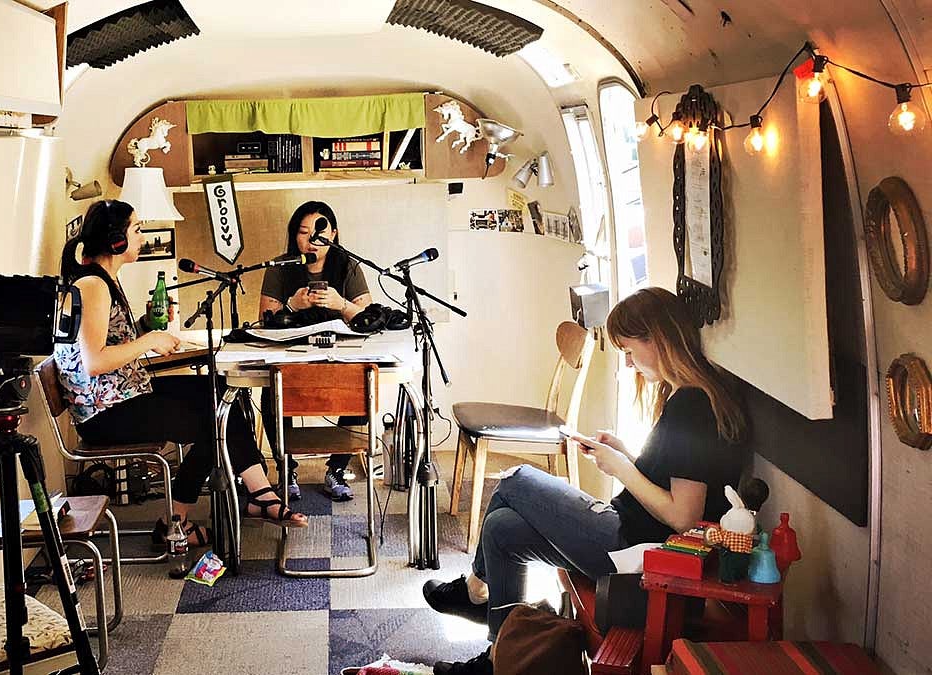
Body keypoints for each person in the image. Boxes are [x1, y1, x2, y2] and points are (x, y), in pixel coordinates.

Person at [422, 287, 748, 675]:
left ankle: (475, 590)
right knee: (501, 528)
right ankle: (498, 659)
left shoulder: (692, 405)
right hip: (632, 535)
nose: (628, 364)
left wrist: (620, 468)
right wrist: (626, 453)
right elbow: (675, 476)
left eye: (629, 350)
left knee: (516, 480)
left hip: (639, 550)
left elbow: (684, 516)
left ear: (657, 339)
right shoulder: (692, 395)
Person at [56, 200, 307, 549]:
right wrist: (148, 340)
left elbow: (104, 341)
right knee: (212, 420)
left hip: (125, 393)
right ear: (116, 240)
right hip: (105, 414)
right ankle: (174, 524)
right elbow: (93, 362)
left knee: (221, 392)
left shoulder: (103, 281)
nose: (142, 237)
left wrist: (144, 328)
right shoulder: (93, 285)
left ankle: (259, 493)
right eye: (137, 229)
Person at [259, 201, 373, 501]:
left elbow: (369, 317)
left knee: (363, 385)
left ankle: (337, 468)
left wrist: (340, 304)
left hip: (338, 359)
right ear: (293, 236)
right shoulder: (280, 267)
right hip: (290, 360)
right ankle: (286, 470)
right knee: (270, 391)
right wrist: (292, 305)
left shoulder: (348, 265)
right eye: (303, 232)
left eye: (319, 231)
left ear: (333, 234)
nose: (311, 239)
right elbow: (265, 322)